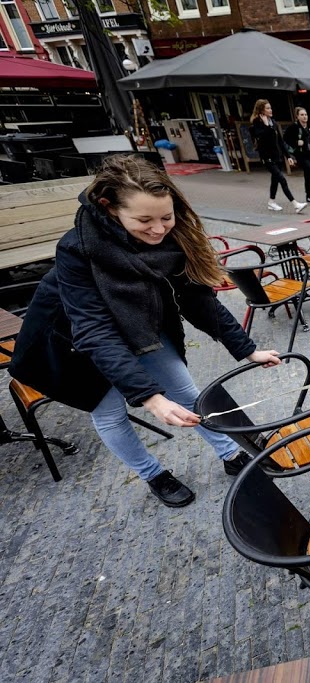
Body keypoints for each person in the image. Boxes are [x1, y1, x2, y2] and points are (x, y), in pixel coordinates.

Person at [9, 155, 282, 508]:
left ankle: (231, 453)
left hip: (139, 328)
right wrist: (150, 397)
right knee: (108, 412)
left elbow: (197, 297)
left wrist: (247, 349)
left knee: (187, 392)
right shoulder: (76, 249)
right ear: (109, 208)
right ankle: (154, 474)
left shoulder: (172, 235)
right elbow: (92, 329)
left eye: (165, 217)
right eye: (144, 220)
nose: (158, 229)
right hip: (72, 341)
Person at [250, 99, 306, 213]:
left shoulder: (273, 123)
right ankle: (295, 204)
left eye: (270, 108)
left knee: (275, 180)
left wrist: (288, 156)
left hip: (277, 156)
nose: (270, 110)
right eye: (268, 108)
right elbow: (262, 139)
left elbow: (280, 141)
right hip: (267, 157)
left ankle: (271, 202)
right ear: (261, 110)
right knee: (282, 179)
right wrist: (266, 125)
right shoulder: (257, 124)